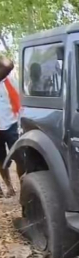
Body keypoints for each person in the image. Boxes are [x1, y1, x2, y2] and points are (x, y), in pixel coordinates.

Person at [0, 55, 19, 197]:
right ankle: (9, 187)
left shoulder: (11, 82)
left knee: (19, 157)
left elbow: (9, 64)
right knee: (1, 160)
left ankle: (24, 185)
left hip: (12, 125)